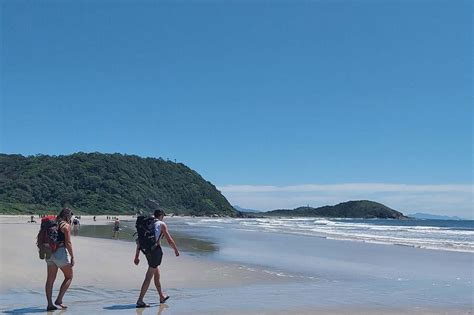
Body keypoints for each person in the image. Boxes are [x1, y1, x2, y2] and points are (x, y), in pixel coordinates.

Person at [134, 209, 179, 308]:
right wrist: (176, 250)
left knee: (156, 272)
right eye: (164, 215)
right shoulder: (161, 224)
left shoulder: (147, 223)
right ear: (161, 215)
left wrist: (137, 256)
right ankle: (140, 300)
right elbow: (169, 240)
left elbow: (139, 241)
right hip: (155, 252)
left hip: (147, 250)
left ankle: (161, 296)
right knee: (149, 276)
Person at [45, 208, 75, 311]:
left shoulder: (52, 223)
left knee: (50, 280)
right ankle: (59, 300)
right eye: (70, 216)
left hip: (49, 252)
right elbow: (68, 243)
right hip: (60, 253)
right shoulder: (65, 226)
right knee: (69, 276)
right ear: (67, 216)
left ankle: (49, 304)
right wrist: (73, 257)